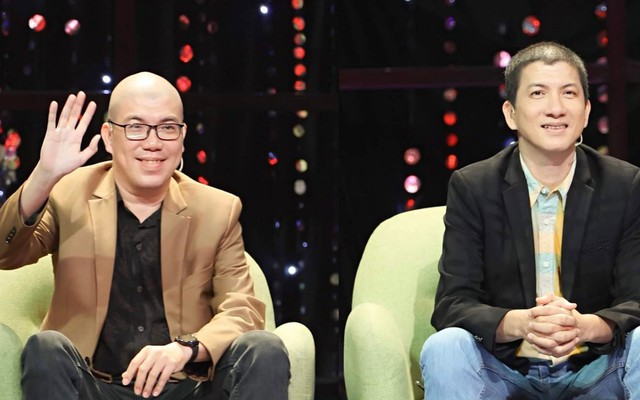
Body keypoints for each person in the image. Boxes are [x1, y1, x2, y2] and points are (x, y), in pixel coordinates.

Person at [0, 71, 290, 399]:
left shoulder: (217, 210)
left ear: (182, 137)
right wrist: (43, 177)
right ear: (109, 137)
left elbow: (242, 310)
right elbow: (4, 253)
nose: (153, 143)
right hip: (95, 386)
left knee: (264, 347)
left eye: (167, 128)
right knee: (46, 347)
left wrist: (185, 349)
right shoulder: (69, 193)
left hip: (186, 388)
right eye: (136, 127)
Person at [420, 41, 640, 399]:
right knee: (445, 346)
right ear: (511, 113)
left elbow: (636, 298)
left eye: (569, 93)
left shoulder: (625, 185)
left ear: (586, 112)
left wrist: (585, 327)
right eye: (538, 93)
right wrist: (523, 323)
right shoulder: (474, 186)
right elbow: (453, 304)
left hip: (598, 368)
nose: (555, 108)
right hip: (504, 370)